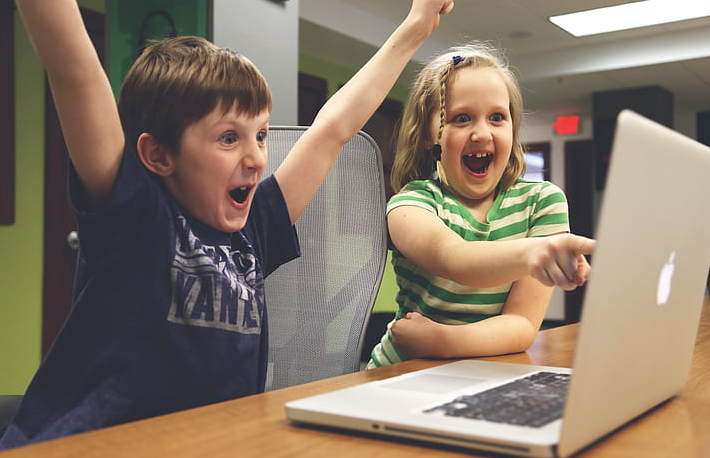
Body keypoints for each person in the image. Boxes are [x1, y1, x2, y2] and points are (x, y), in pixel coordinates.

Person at [1, 0, 455, 449]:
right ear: (158, 155)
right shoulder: (134, 213)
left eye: (259, 134)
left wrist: (416, 26)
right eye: (228, 138)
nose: (258, 158)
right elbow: (74, 72)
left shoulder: (253, 228)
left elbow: (333, 129)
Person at [367, 42, 595, 369]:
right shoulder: (410, 205)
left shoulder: (543, 202)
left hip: (482, 373)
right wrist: (534, 253)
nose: (482, 133)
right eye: (462, 118)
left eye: (497, 117)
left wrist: (441, 341)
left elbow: (522, 324)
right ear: (428, 135)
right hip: (400, 373)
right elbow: (457, 258)